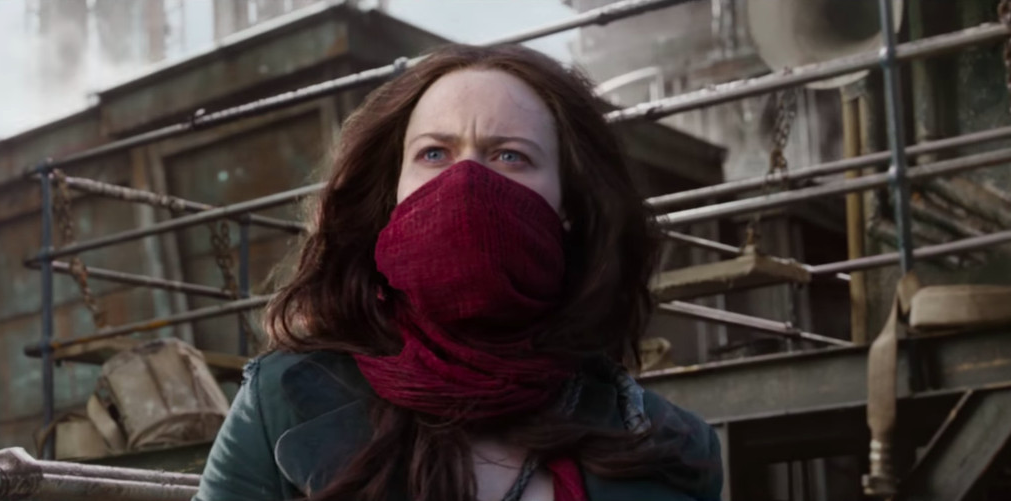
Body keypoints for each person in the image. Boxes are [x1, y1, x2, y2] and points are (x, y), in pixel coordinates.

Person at [194, 44, 722, 501]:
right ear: (392, 194)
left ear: (570, 204)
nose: (466, 181)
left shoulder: (669, 445)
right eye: (434, 153)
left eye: (510, 156)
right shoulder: (282, 401)